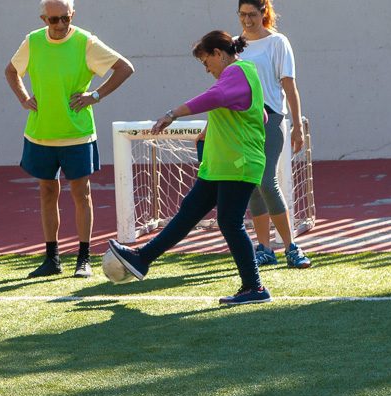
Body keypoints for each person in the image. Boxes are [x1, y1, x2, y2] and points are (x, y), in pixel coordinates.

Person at [106, 31, 271, 306]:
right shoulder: (244, 74)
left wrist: (173, 114)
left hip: (236, 164)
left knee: (229, 222)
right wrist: (216, 127)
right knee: (188, 213)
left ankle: (254, 287)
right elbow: (259, 114)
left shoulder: (237, 71)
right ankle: (141, 258)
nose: (207, 70)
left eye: (207, 62)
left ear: (219, 53)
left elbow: (215, 96)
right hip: (222, 164)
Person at [4, 0, 134, 278]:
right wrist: (24, 98)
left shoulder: (86, 41)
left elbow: (125, 68)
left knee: (81, 192)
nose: (60, 25)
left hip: (77, 133)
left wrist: (96, 96)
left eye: (65, 18)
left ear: (72, 15)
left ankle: (83, 259)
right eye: (53, 19)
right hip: (41, 133)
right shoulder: (33, 41)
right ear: (43, 18)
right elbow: (11, 71)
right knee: (47, 191)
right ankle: (52, 259)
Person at [234, 0, 311, 269]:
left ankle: (291, 246)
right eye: (242, 15)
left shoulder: (278, 43)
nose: (247, 20)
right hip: (243, 124)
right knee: (253, 184)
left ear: (264, 12)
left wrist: (296, 125)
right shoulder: (234, 45)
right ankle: (264, 248)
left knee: (267, 181)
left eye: (252, 14)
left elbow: (289, 87)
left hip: (271, 119)